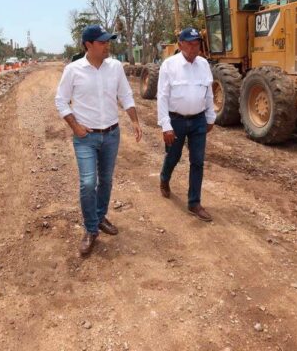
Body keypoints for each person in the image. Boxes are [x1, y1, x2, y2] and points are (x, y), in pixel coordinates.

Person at [55, 24, 143, 256]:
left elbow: (125, 94)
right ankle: (91, 229)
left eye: (107, 42)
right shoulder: (73, 70)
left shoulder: (115, 67)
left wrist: (134, 120)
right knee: (87, 182)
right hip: (86, 137)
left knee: (106, 180)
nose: (107, 46)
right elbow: (61, 101)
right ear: (88, 45)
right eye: (102, 42)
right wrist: (75, 126)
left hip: (112, 134)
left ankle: (100, 216)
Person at [157, 27, 216, 222]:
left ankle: (194, 203)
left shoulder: (204, 64)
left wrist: (210, 116)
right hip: (176, 120)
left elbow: (208, 92)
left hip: (199, 120)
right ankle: (165, 178)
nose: (194, 47)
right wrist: (166, 125)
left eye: (197, 43)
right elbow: (162, 97)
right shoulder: (169, 65)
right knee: (173, 155)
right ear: (181, 44)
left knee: (197, 161)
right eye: (189, 43)